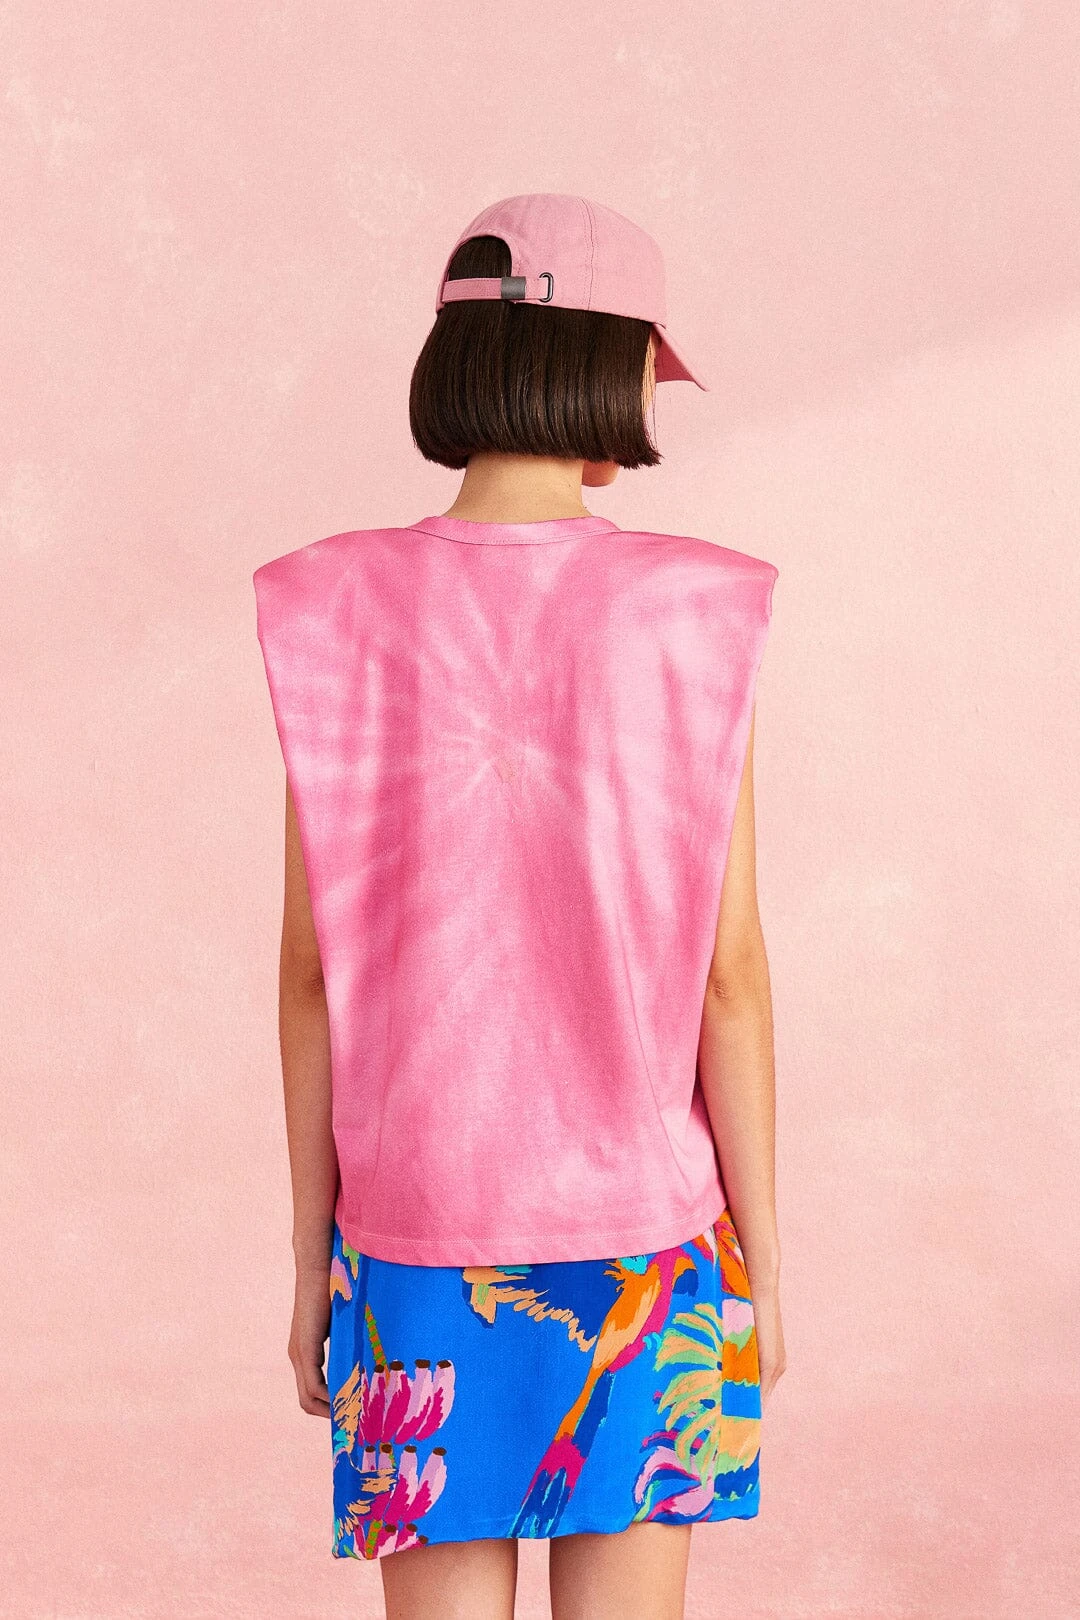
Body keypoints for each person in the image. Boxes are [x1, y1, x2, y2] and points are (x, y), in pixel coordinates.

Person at [253, 193, 787, 1620]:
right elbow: (728, 976)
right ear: (603, 364)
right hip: (646, 1240)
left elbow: (312, 974)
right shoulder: (697, 609)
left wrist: (313, 1259)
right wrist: (765, 1255)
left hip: (413, 1235)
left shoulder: (329, 602)